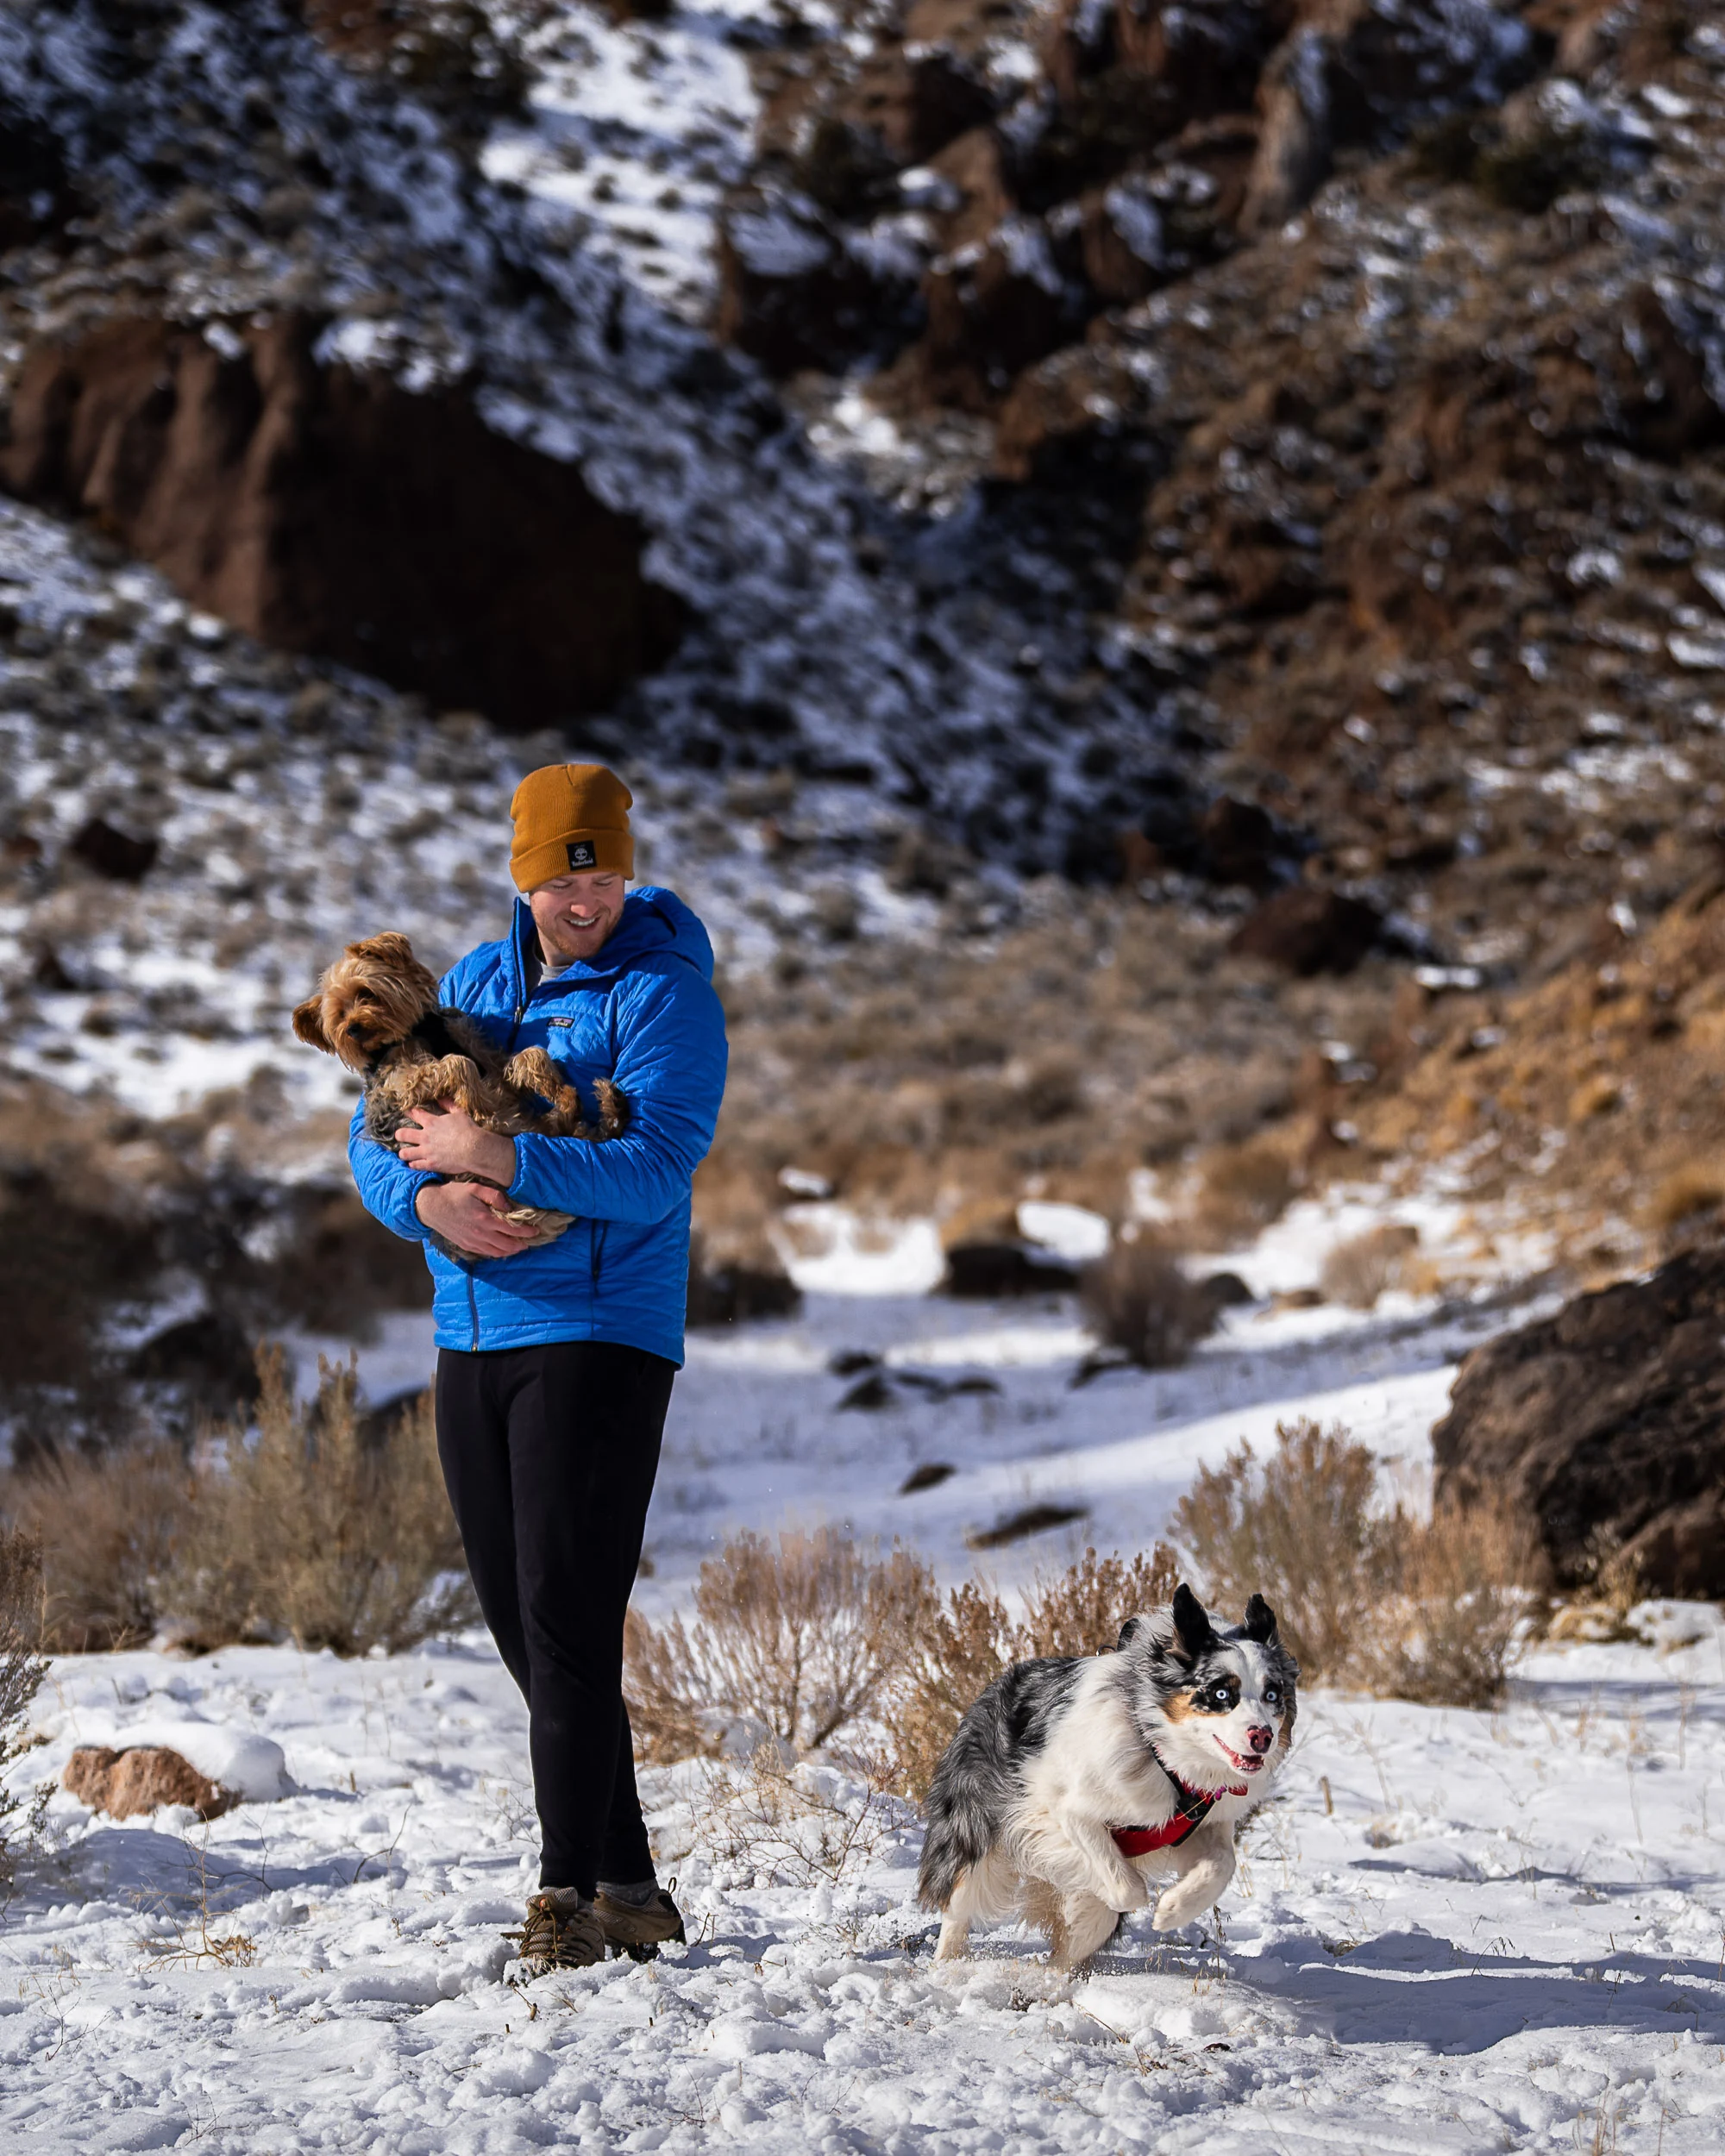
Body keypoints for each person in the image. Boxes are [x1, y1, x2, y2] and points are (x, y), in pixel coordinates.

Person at [348, 762, 728, 1971]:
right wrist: (431, 1202)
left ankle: (568, 1902)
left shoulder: (665, 996)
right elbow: (370, 1138)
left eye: (605, 873)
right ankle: (632, 1886)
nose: (587, 899)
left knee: (566, 1621)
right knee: (522, 1626)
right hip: (474, 1337)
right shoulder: (470, 983)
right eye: (567, 876)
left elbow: (655, 1170)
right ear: (528, 877)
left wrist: (498, 1159)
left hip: (602, 1337)